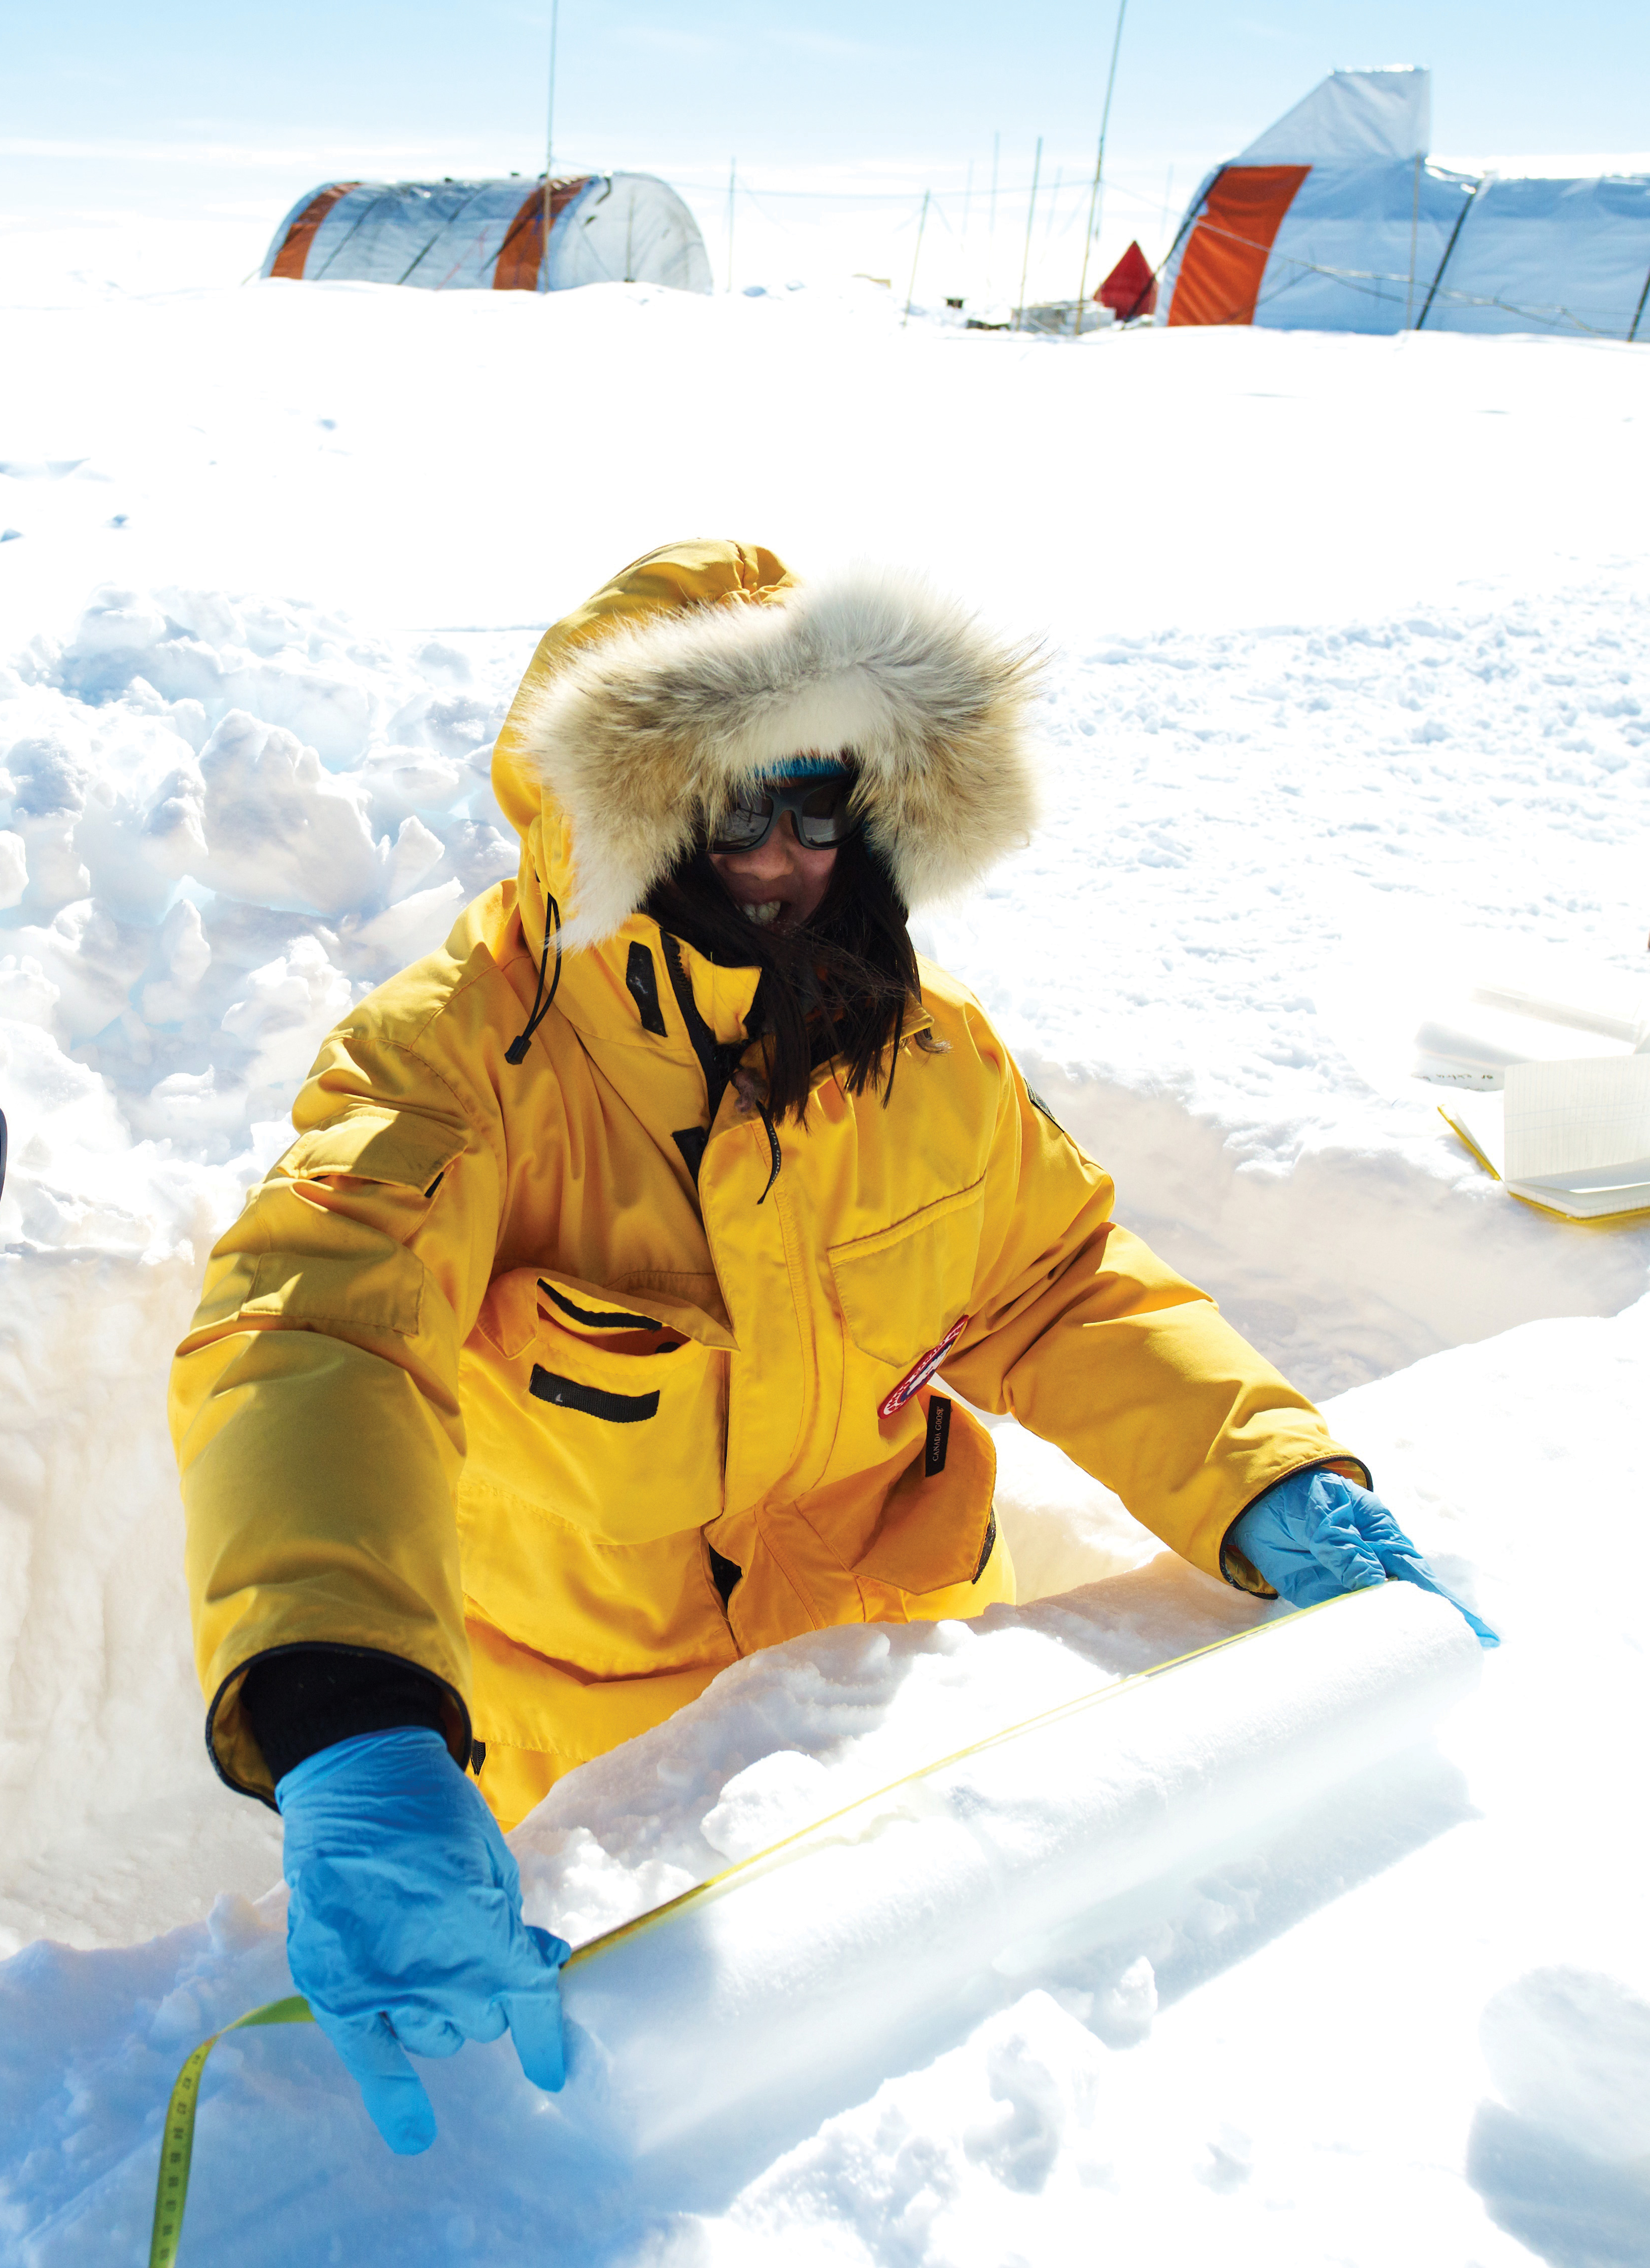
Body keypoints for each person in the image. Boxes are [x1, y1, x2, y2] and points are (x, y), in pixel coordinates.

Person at [168, 539, 1493, 2154]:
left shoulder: (917, 1045)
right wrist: (344, 1718)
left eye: (825, 807)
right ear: (623, 803)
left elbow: (1059, 1285)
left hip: (913, 1719)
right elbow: (314, 1338)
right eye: (738, 808)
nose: (787, 859)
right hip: (605, 1790)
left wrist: (1261, 1470)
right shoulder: (462, 1058)